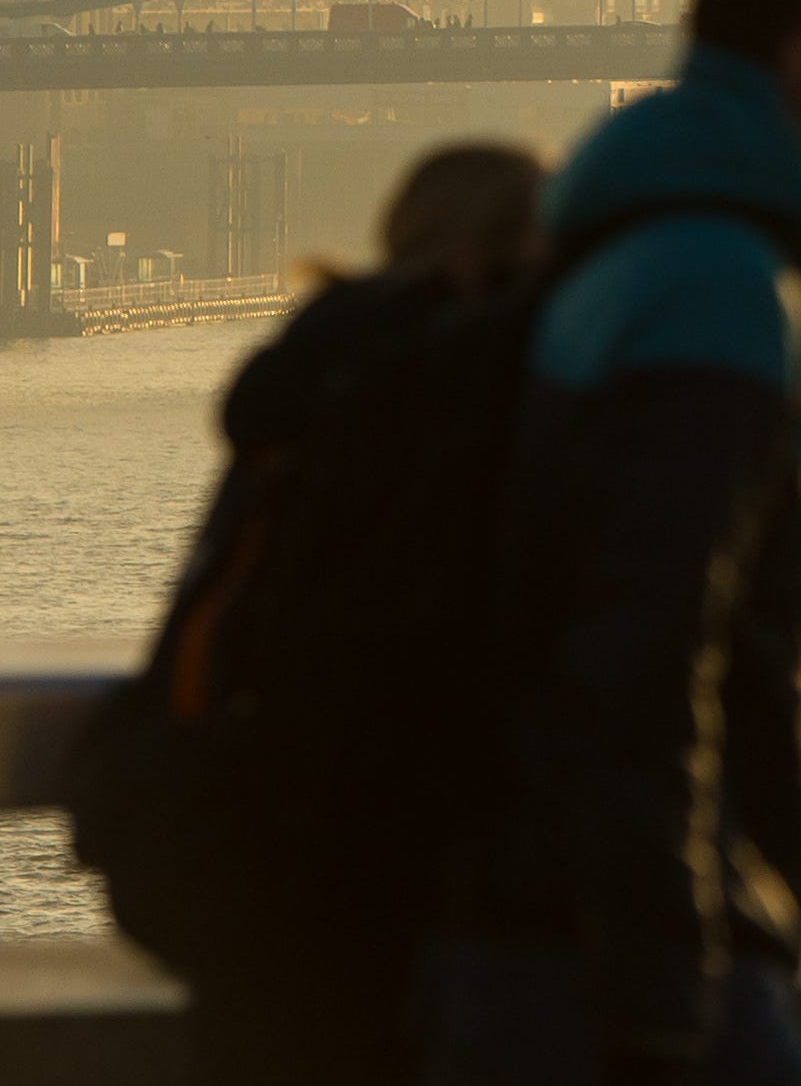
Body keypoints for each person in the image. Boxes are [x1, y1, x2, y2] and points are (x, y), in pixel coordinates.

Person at [426, 0, 801, 1086]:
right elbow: (641, 661)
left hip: (566, 933)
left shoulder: (658, 253)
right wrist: (666, 1003)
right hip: (616, 958)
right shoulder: (713, 293)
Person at [91, 141, 550, 1086]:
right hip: (401, 872)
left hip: (244, 843)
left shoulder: (307, 373)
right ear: (515, 246)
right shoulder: (474, 387)